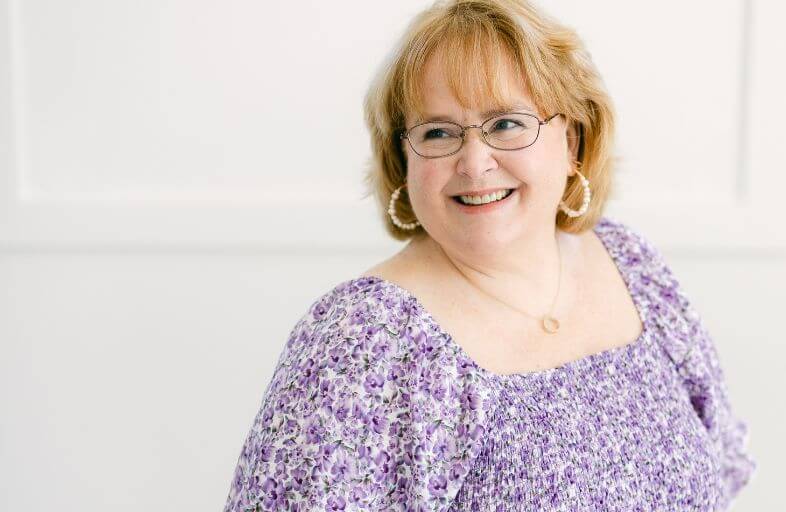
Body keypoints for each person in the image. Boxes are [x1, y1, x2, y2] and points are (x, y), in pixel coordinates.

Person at [223, 0, 756, 510]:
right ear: (403, 161)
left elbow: (722, 468)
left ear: (572, 140)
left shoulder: (630, 264)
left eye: (506, 123)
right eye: (438, 132)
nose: (475, 163)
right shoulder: (364, 340)